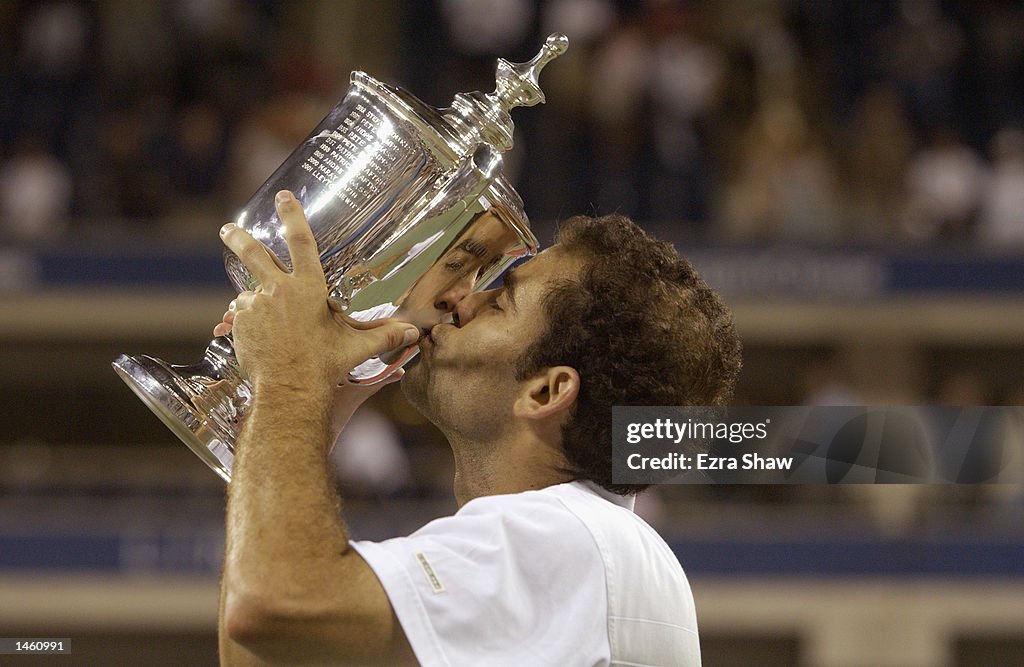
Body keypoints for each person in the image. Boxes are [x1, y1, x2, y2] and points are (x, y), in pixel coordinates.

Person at [215, 189, 741, 665]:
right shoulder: (591, 544)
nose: (462, 299)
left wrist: (290, 378)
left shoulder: (564, 539)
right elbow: (269, 650)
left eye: (501, 300)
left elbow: (272, 607)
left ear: (546, 392)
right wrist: (307, 408)